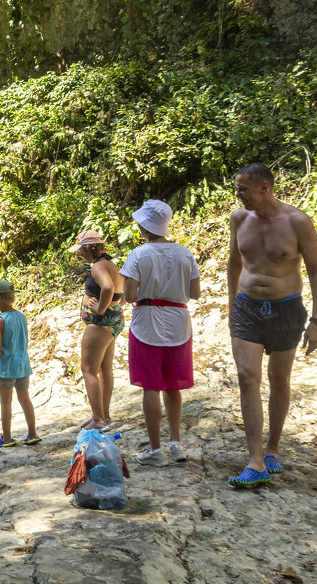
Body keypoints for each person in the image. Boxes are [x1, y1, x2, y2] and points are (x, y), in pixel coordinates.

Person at [226, 163, 317, 488]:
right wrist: (232, 309)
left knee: (279, 379)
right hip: (247, 308)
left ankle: (272, 449)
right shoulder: (239, 219)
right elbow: (234, 264)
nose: (237, 195)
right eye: (236, 188)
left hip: (286, 310)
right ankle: (255, 461)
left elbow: (316, 272)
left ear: (264, 187)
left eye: (243, 189)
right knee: (247, 377)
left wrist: (316, 321)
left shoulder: (297, 221)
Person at [120, 199, 201, 467]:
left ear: (145, 226)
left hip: (146, 323)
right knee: (173, 386)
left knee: (151, 387)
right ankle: (176, 443)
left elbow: (130, 294)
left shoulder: (138, 254)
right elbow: (195, 293)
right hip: (179, 322)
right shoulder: (185, 253)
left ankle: (155, 449)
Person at [71, 230, 124, 430]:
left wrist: (99, 309)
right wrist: (111, 307)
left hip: (100, 324)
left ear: (89, 249)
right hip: (113, 322)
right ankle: (104, 415)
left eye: (81, 251)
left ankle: (98, 419)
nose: (79, 255)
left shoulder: (98, 267)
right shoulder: (112, 265)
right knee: (105, 369)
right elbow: (121, 292)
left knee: (88, 370)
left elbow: (108, 288)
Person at [0, 280, 40, 448]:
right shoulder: (21, 316)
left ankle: (7, 438)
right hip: (23, 366)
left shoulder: (0, 320)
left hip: (7, 369)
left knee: (5, 403)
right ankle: (32, 434)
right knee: (25, 400)